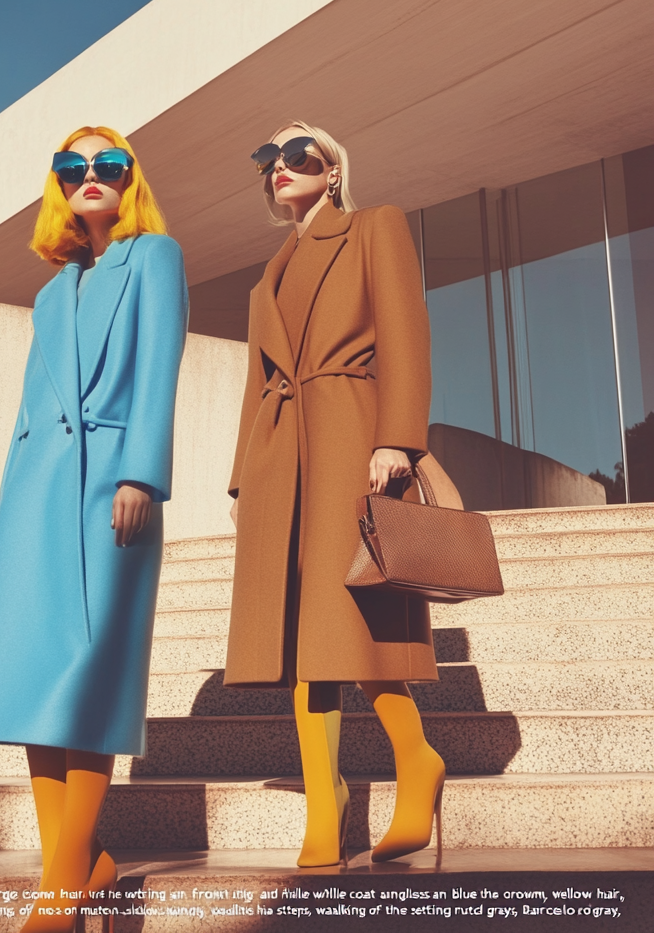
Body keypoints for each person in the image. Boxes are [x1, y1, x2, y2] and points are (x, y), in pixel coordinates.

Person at [0, 125, 188, 931]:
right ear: (58, 186)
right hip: (37, 494)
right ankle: (76, 872)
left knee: (90, 670)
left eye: (108, 165)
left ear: (129, 181)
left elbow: (160, 363)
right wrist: (5, 516)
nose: (91, 176)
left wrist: (142, 473)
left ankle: (59, 894)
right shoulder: (50, 293)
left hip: (114, 483)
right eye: (73, 167)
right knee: (38, 678)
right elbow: (27, 411)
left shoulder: (154, 256)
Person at [225, 121, 446, 867]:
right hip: (280, 454)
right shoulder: (269, 274)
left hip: (352, 433)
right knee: (297, 637)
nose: (280, 167)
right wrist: (240, 479)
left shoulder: (374, 228)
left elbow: (406, 333)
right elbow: (258, 383)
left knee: (348, 615)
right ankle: (327, 803)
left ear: (334, 169)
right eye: (269, 159)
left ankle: (415, 758)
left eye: (297, 154)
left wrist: (397, 436)